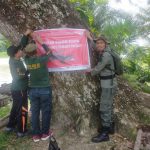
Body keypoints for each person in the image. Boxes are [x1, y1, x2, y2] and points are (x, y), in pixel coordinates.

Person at [24, 33, 53, 142]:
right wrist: (41, 42)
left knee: (35, 112)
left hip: (32, 90)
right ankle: (45, 133)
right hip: (44, 89)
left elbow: (26, 52)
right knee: (46, 111)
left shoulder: (27, 60)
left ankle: (36, 135)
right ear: (36, 51)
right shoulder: (42, 59)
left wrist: (29, 39)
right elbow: (50, 52)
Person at [90, 36, 117, 143]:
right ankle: (109, 127)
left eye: (101, 43)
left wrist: (89, 70)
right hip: (108, 84)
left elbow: (96, 70)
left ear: (106, 44)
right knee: (108, 106)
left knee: (104, 107)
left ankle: (105, 134)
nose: (99, 45)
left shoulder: (106, 55)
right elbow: (95, 46)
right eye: (98, 43)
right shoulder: (105, 52)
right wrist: (90, 38)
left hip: (108, 85)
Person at [6, 29, 32, 137]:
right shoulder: (15, 63)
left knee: (15, 107)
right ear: (16, 54)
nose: (21, 51)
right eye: (19, 51)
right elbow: (18, 76)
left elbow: (21, 45)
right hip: (20, 89)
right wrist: (28, 71)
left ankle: (10, 126)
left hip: (16, 89)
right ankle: (21, 130)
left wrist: (25, 35)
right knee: (23, 109)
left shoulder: (13, 58)